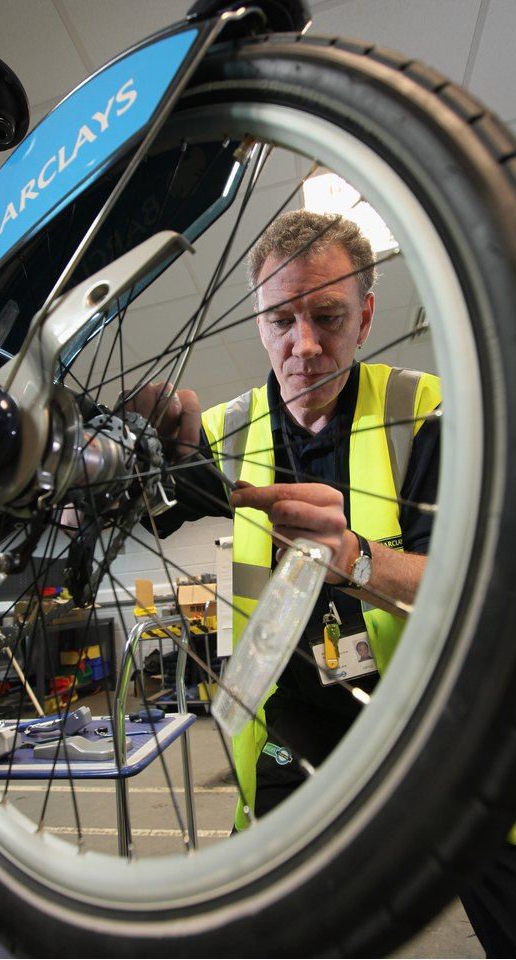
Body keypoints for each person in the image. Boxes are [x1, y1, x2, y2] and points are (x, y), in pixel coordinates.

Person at [130, 209, 514, 956]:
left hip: (436, 726)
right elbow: (139, 510)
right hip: (297, 730)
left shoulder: (428, 413)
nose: (303, 346)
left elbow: (481, 586)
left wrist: (358, 560)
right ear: (256, 320)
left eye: (328, 316)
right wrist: (108, 464)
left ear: (366, 316)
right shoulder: (223, 435)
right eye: (281, 320)